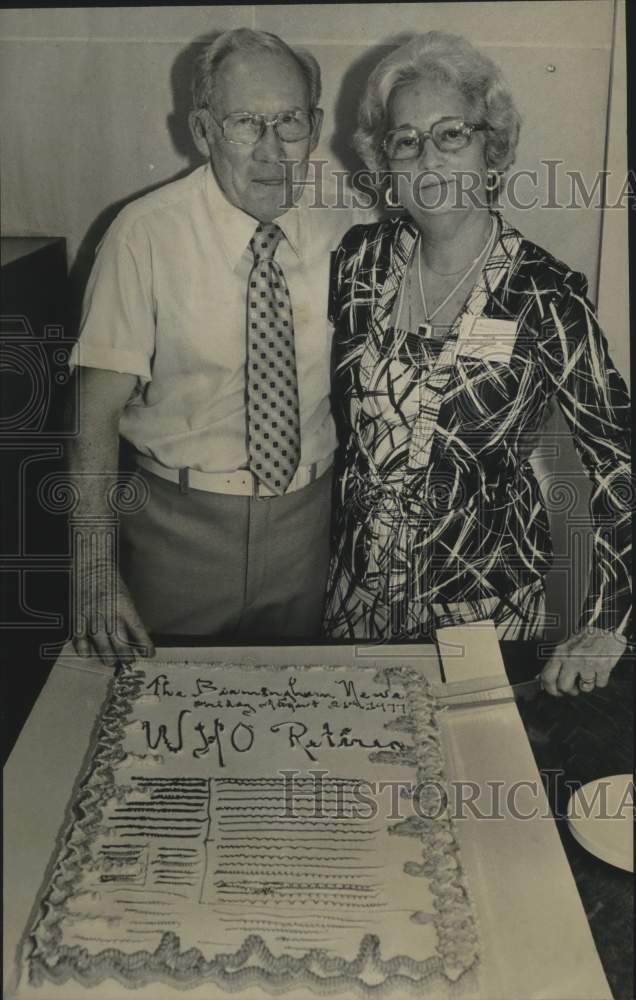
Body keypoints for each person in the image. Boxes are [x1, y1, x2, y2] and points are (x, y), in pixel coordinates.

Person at [323, 32, 631, 696]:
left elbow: (618, 461)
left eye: (450, 135)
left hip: (481, 611)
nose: (428, 158)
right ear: (385, 161)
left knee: (468, 778)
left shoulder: (543, 297)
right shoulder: (361, 261)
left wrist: (610, 621)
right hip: (353, 600)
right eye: (406, 140)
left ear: (491, 152)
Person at [69, 28, 362, 664]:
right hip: (175, 532)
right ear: (202, 131)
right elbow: (91, 415)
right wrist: (93, 567)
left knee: (292, 723)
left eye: (288, 121)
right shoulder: (141, 236)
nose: (270, 150)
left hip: (308, 534)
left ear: (314, 126)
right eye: (243, 123)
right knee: (163, 728)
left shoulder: (351, 228)